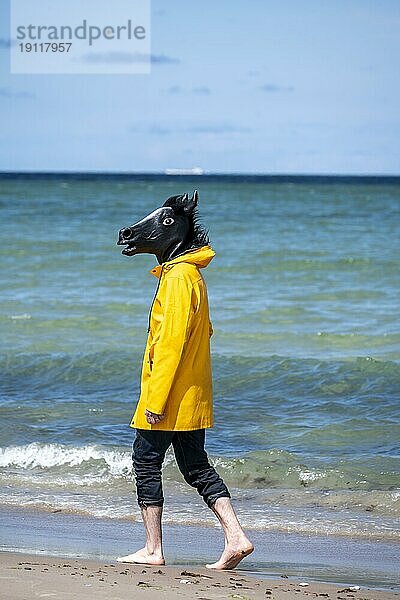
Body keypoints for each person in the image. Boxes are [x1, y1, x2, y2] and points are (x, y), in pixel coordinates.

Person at [116, 191, 254, 569]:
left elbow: (172, 344)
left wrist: (156, 402)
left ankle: (152, 549)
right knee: (195, 466)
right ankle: (236, 537)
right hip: (190, 395)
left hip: (169, 396)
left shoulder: (178, 278)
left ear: (172, 232)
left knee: (145, 461)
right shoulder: (190, 274)